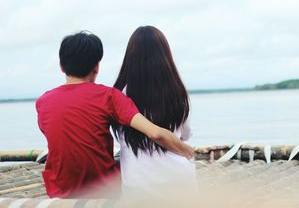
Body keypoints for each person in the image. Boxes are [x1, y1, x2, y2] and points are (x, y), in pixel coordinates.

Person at [36, 31, 193, 198]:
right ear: (96, 66)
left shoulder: (43, 102)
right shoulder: (109, 97)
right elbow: (155, 133)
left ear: (61, 66)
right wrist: (188, 151)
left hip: (59, 189)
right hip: (103, 188)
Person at [113, 26, 197, 199]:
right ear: (165, 55)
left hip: (138, 183)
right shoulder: (177, 91)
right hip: (179, 180)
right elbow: (186, 134)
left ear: (130, 57)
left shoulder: (119, 94)